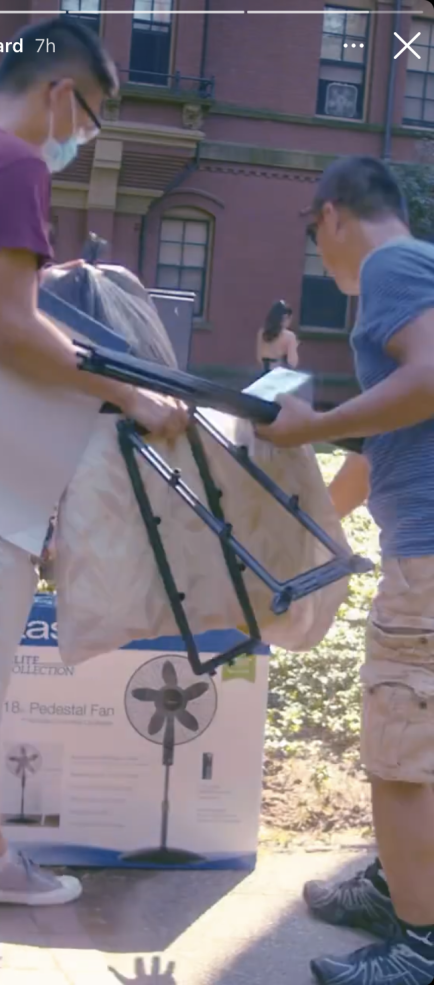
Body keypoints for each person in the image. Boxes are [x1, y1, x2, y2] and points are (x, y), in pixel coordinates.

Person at [0, 17, 187, 973]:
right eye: (92, 117)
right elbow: (7, 328)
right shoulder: (15, 165)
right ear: (63, 95)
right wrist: (127, 389)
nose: (84, 136)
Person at [256, 155, 434, 985]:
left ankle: (419, 943)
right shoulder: (416, 275)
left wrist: (306, 424)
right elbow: (383, 444)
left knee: (399, 746)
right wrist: (315, 531)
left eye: (312, 235)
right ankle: (397, 880)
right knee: (418, 733)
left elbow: (431, 380)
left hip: (428, 555)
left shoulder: (392, 266)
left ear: (331, 214)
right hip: (421, 543)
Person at [256, 299, 299, 373]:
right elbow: (292, 363)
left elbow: (259, 357)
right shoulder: (290, 336)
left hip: (264, 372)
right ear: (285, 317)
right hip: (280, 374)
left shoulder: (262, 332)